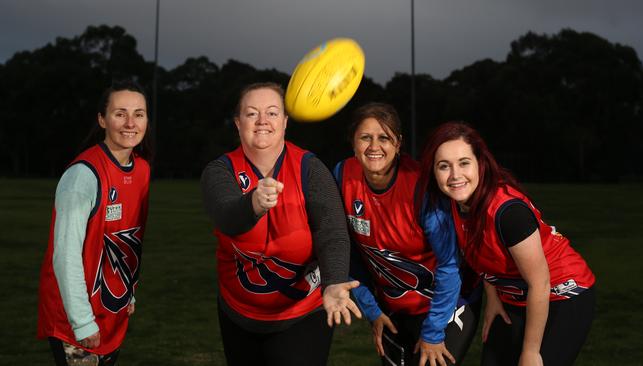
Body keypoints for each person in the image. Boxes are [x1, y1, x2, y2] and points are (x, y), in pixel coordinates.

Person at [200, 82, 361, 366]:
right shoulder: (219, 170)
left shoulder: (310, 168)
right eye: (251, 114)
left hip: (303, 314)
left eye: (272, 113)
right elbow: (226, 216)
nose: (262, 120)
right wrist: (254, 203)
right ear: (238, 123)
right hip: (238, 314)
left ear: (285, 122)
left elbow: (332, 231)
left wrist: (335, 282)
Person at [419, 121, 596, 366]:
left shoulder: (508, 213)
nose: (455, 175)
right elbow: (484, 253)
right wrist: (493, 296)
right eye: (444, 166)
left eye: (463, 163)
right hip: (513, 296)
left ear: (480, 163)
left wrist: (532, 352)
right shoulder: (452, 204)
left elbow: (540, 282)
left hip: (560, 294)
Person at [332, 103, 481, 366]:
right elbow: (349, 254)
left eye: (384, 138)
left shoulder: (420, 186)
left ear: (398, 143)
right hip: (394, 308)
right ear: (353, 142)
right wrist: (373, 311)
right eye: (365, 137)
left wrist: (434, 333)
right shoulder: (342, 176)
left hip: (446, 302)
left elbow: (449, 265)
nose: (374, 146)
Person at [37, 80, 152, 365]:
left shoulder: (142, 169)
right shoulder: (82, 176)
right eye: (119, 113)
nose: (130, 123)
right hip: (76, 318)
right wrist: (82, 321)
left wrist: (129, 293)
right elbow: (64, 255)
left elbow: (130, 241)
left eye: (139, 114)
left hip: (112, 308)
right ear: (102, 119)